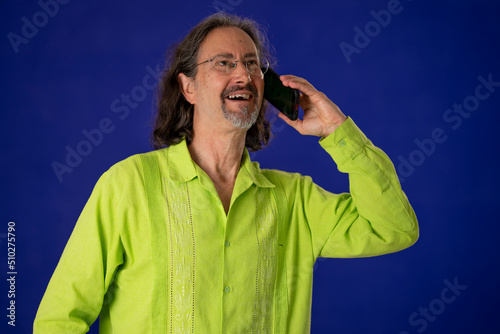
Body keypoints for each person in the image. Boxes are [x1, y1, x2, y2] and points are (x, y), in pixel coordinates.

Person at [34, 12, 418, 334]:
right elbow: (59, 319)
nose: (243, 75)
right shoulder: (128, 185)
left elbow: (394, 229)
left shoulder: (294, 200)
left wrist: (338, 132)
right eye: (224, 63)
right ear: (188, 87)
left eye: (252, 64)